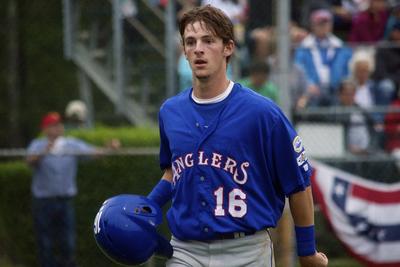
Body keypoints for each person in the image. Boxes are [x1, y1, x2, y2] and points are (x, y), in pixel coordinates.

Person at [147, 5, 328, 267]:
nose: (198, 48)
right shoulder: (170, 112)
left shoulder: (263, 113)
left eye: (208, 40)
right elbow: (173, 171)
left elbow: (298, 184)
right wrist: (146, 207)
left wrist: (307, 251)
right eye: (190, 42)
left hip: (247, 249)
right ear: (184, 51)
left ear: (228, 48)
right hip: (185, 250)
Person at [26, 112, 119, 267]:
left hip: (65, 201)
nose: (57, 128)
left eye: (59, 125)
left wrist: (109, 148)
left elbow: (93, 153)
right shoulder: (37, 144)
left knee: (67, 242)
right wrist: (44, 151)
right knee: (45, 242)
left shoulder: (71, 144)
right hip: (43, 202)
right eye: (53, 125)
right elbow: (29, 161)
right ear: (45, 129)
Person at [294, 8, 352, 107]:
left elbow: (347, 71)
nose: (323, 26)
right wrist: (309, 84)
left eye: (326, 23)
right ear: (313, 25)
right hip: (312, 91)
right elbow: (299, 69)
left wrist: (342, 86)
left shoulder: (340, 47)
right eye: (320, 23)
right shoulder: (303, 47)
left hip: (335, 89)